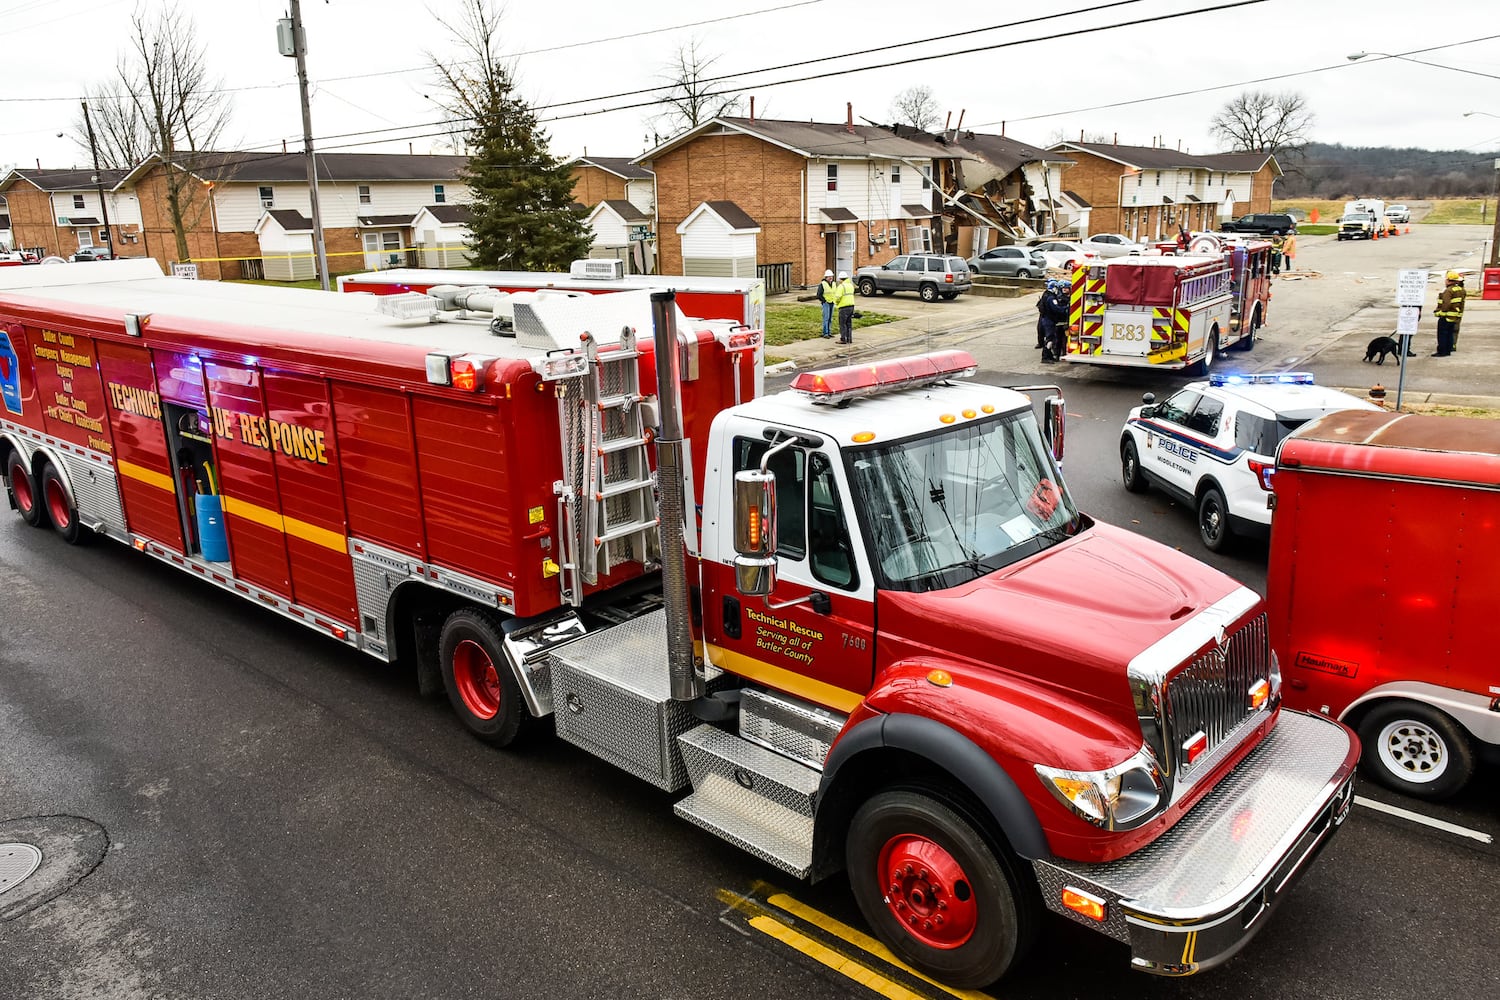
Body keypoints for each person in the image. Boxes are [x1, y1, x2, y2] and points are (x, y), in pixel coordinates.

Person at [1433, 270, 1466, 356]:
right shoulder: (1460, 289)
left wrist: (1440, 313)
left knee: (1442, 335)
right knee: (1450, 334)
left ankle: (1442, 351)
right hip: (1454, 316)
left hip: (1446, 316)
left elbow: (1446, 304)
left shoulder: (1448, 291)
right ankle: (1448, 350)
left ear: (1448, 280)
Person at [1039, 279, 1070, 362]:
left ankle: (1049, 356)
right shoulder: (1051, 298)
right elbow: (1057, 309)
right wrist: (1067, 308)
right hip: (1049, 321)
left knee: (1052, 338)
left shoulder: (1047, 296)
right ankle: (1045, 357)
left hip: (1047, 320)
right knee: (1050, 339)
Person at [835, 270, 856, 344]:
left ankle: (843, 338)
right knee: (849, 323)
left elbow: (837, 297)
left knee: (842, 323)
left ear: (841, 279)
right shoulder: (850, 285)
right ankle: (849, 338)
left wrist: (836, 303)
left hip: (843, 307)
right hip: (851, 306)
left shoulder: (841, 286)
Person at [816, 269, 837, 338]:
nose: (831, 278)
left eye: (831, 276)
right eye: (829, 276)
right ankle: (825, 333)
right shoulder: (822, 284)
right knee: (826, 318)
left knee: (830, 318)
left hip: (832, 302)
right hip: (826, 303)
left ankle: (829, 332)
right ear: (826, 277)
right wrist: (824, 301)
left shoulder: (834, 284)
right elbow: (819, 295)